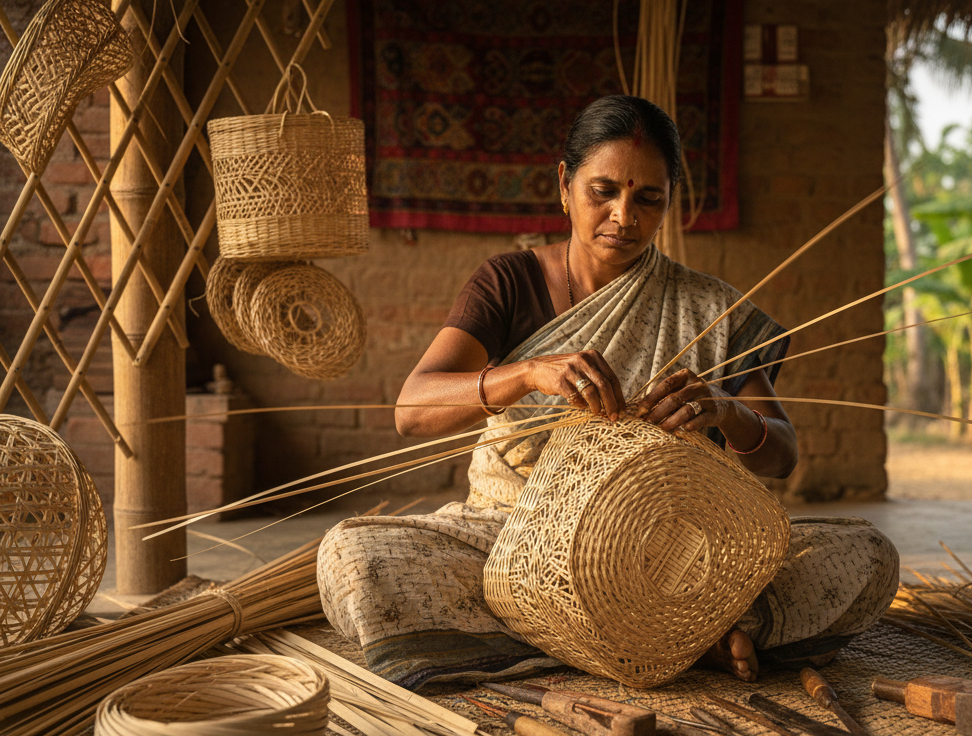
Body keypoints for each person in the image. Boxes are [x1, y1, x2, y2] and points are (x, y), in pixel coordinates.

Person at [317, 95, 899, 689]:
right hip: (514, 542)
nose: (624, 215)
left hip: (669, 553)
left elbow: (783, 454)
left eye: (648, 198)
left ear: (669, 201)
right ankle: (683, 636)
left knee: (865, 556)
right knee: (355, 562)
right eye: (604, 192)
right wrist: (526, 374)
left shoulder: (708, 308)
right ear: (564, 186)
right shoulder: (508, 282)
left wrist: (726, 412)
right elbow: (411, 411)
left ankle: (599, 632)